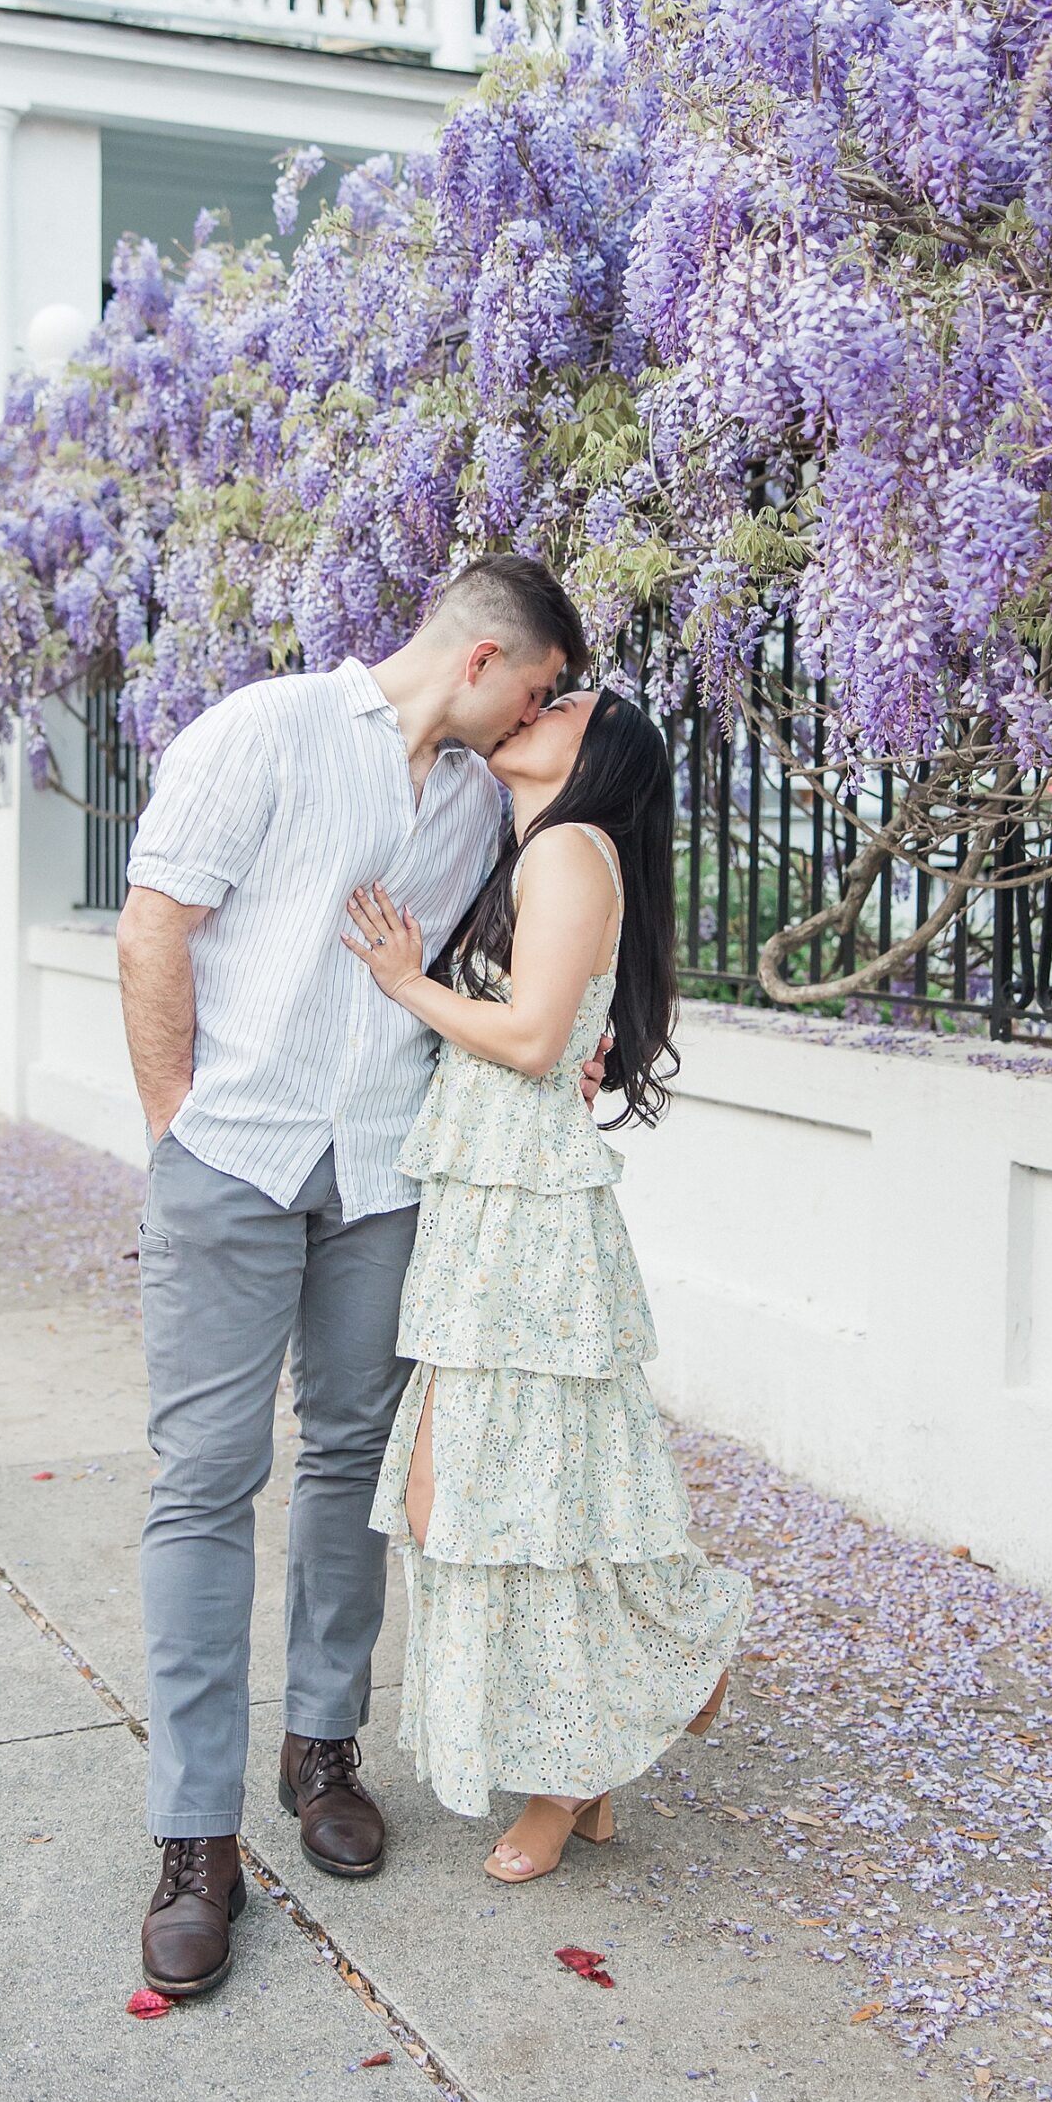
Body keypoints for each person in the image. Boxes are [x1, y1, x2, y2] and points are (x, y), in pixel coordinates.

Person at [117, 555, 590, 1998]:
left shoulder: (472, 802)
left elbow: (537, 950)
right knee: (202, 1483)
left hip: (381, 1172)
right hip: (235, 1158)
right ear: (484, 659)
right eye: (540, 685)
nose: (542, 713)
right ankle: (194, 1841)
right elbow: (154, 929)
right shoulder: (257, 731)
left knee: (344, 1464)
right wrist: (173, 1132)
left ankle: (322, 1751)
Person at [343, 687, 752, 1882]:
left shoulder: (572, 846)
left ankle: (597, 1739)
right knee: (484, 1488)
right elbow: (559, 1029)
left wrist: (405, 981)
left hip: (523, 1202)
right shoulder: (526, 843)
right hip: (490, 1190)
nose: (536, 705)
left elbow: (528, 1039)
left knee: (495, 1487)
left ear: (600, 752)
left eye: (565, 702)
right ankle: (613, 1722)